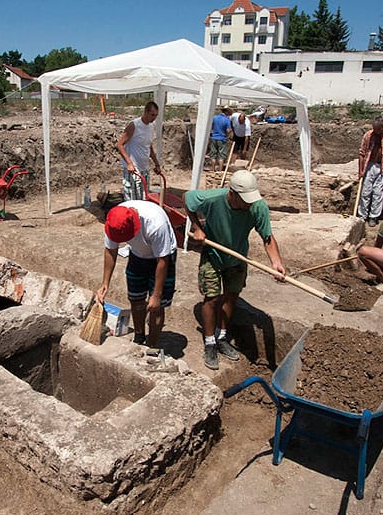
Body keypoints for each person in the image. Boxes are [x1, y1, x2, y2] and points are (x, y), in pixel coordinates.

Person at [184, 170, 286, 370]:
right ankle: (209, 342)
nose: (249, 204)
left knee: (231, 296)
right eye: (244, 200)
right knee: (212, 298)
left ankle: (221, 337)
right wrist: (196, 226)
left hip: (238, 256)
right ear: (232, 193)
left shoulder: (258, 207)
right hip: (213, 252)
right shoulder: (213, 198)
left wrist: (276, 263)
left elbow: (267, 237)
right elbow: (187, 199)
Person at [97, 201, 177, 349]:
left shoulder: (155, 223)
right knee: (136, 298)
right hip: (137, 255)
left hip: (162, 257)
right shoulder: (114, 221)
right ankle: (139, 337)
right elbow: (110, 250)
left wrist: (157, 295)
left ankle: (152, 346)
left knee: (156, 307)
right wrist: (105, 284)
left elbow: (162, 261)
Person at [357, 117, 383, 227]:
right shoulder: (368, 135)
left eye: (378, 130)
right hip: (369, 165)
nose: (375, 132)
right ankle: (362, 215)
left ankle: (373, 216)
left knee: (378, 193)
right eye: (374, 129)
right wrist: (361, 170)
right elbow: (361, 153)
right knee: (365, 192)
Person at [116, 102, 162, 201]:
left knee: (144, 197)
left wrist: (157, 164)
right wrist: (129, 163)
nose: (154, 118)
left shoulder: (151, 126)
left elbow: (149, 146)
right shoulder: (134, 125)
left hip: (144, 168)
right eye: (152, 115)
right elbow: (119, 145)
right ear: (145, 112)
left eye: (156, 115)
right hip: (133, 169)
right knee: (132, 199)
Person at [208, 107, 232, 172]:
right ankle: (220, 172)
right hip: (222, 139)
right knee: (221, 156)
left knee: (213, 155)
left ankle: (213, 170)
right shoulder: (227, 120)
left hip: (214, 138)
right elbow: (228, 130)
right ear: (226, 112)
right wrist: (229, 132)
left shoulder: (214, 118)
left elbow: (211, 127)